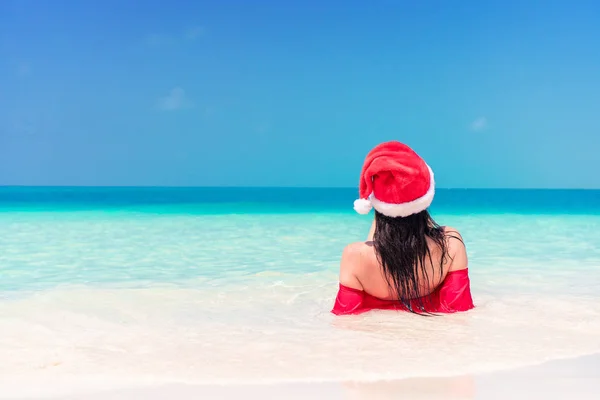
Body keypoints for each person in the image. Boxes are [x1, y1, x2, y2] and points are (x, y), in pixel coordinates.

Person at [331, 141, 474, 315]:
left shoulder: (355, 256)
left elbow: (345, 321)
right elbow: (460, 311)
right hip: (432, 338)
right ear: (426, 196)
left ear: (376, 203)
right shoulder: (451, 243)